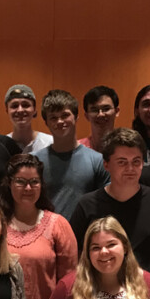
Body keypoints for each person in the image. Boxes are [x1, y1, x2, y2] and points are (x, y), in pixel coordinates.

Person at [0, 154, 78, 299]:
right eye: (20, 182)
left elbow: (69, 285)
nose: (28, 188)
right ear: (9, 183)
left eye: (34, 181)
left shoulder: (57, 224)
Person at [70, 128, 150, 275]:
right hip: (99, 291)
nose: (130, 168)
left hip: (145, 290)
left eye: (136, 161)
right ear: (106, 165)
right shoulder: (87, 205)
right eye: (122, 162)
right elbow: (76, 256)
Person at [31, 89, 109, 219]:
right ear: (46, 123)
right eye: (53, 118)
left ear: (76, 117)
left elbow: (105, 207)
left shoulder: (98, 161)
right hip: (45, 236)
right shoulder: (34, 161)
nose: (60, 121)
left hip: (84, 236)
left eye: (65, 115)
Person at [5, 84, 53, 153]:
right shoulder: (1, 146)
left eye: (25, 105)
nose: (20, 110)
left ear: (34, 110)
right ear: (7, 111)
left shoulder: (49, 144)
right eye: (14, 106)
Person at [79, 85, 120, 151]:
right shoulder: (77, 150)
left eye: (106, 109)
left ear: (116, 111)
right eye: (94, 110)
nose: (100, 114)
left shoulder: (127, 148)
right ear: (86, 116)